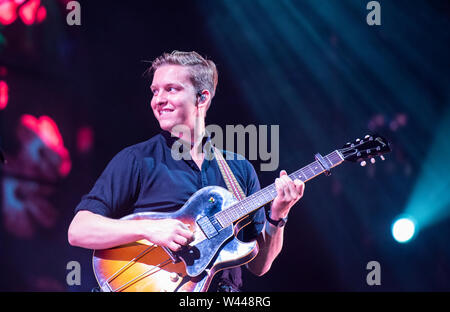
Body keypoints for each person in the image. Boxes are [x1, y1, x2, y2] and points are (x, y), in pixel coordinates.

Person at [68, 50, 305, 292]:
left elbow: (259, 266)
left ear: (202, 98)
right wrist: (150, 229)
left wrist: (278, 215)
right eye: (155, 91)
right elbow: (79, 230)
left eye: (171, 89)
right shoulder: (137, 160)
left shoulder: (239, 169)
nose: (158, 99)